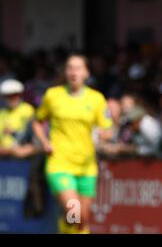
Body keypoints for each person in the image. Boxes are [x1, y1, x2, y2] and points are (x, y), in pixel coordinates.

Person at [32, 54, 113, 234]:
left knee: (81, 220)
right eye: (70, 67)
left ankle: (66, 228)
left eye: (78, 68)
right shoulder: (53, 95)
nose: (73, 72)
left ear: (86, 73)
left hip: (86, 166)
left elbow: (108, 128)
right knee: (73, 210)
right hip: (60, 163)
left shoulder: (96, 99)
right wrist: (44, 142)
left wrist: (104, 134)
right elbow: (38, 121)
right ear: (65, 72)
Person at [0, 79, 37, 158]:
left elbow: (33, 137)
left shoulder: (28, 110)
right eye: (8, 96)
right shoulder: (1, 113)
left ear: (20, 95)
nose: (12, 98)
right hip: (3, 158)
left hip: (24, 159)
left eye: (15, 95)